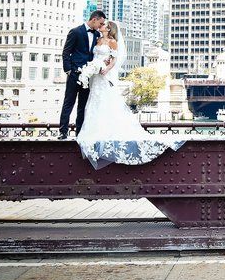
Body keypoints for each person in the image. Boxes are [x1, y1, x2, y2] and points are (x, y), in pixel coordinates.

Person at [75, 20, 185, 169]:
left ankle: (104, 130)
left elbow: (113, 60)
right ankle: (91, 130)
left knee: (104, 101)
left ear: (109, 29)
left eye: (103, 26)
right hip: (95, 76)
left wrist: (106, 69)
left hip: (104, 74)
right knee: (93, 102)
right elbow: (94, 56)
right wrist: (92, 68)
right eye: (100, 25)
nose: (100, 27)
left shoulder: (113, 42)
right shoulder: (97, 39)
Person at [59, 10, 107, 139]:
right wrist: (68, 70)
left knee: (83, 106)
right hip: (74, 73)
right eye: (100, 23)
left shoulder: (98, 35)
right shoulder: (75, 32)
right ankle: (63, 132)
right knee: (69, 103)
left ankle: (79, 133)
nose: (101, 26)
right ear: (94, 19)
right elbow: (66, 52)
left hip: (89, 76)